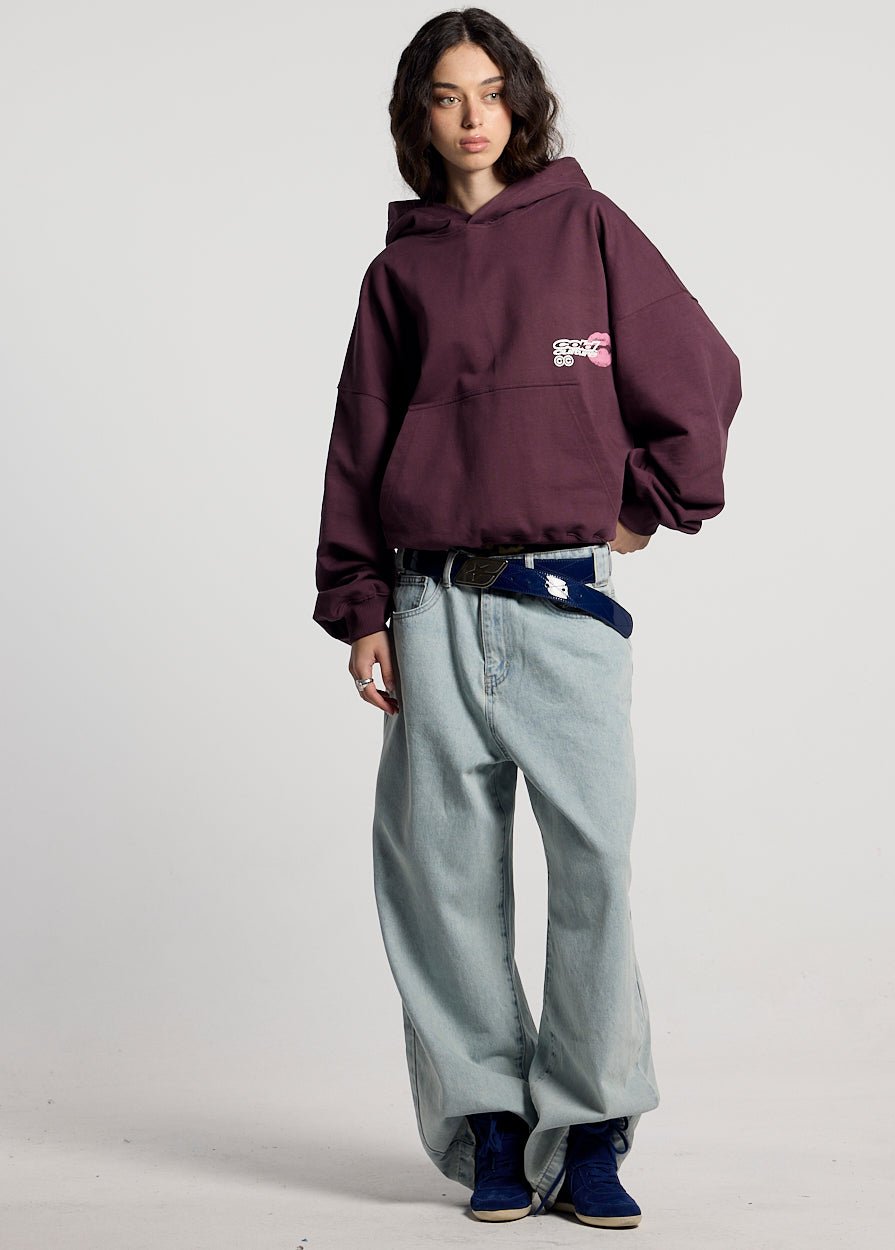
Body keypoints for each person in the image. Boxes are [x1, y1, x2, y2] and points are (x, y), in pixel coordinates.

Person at [312, 7, 742, 1230]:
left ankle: (592, 1127)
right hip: (428, 604)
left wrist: (647, 505)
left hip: (562, 603)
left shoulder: (587, 226)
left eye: (491, 91)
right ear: (418, 113)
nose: (472, 116)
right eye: (447, 94)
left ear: (520, 101)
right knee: (443, 877)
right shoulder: (397, 273)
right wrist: (361, 603)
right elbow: (359, 440)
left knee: (593, 864)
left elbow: (700, 372)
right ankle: (492, 1123)